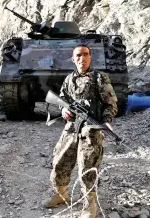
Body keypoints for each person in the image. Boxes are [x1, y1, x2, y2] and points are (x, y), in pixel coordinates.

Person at [42, 44, 118, 218]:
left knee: (88, 167)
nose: (82, 58)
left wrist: (106, 121)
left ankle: (89, 205)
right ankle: (61, 194)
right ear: (73, 58)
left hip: (91, 130)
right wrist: (64, 111)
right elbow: (62, 99)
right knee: (60, 161)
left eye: (85, 54)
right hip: (71, 128)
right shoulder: (69, 79)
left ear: (90, 57)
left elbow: (111, 103)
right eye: (78, 55)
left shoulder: (99, 78)